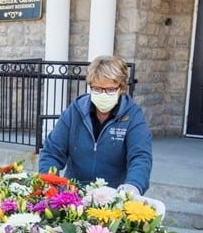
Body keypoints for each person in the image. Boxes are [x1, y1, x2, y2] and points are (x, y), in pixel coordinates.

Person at [38, 55, 152, 196]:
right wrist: (49, 182)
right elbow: (52, 151)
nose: (103, 94)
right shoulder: (75, 111)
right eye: (97, 89)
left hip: (113, 196)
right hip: (75, 195)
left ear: (121, 88)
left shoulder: (133, 116)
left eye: (110, 89)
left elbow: (140, 157)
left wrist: (133, 186)